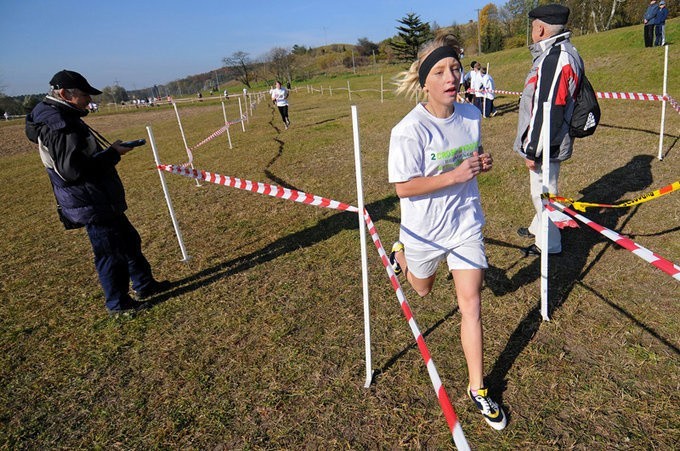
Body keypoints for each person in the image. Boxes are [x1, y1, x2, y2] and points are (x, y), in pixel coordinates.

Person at [387, 32, 507, 431]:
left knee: (471, 304)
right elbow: (403, 187)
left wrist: (479, 163)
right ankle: (400, 255)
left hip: (465, 224)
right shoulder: (409, 130)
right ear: (425, 81)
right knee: (421, 290)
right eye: (439, 71)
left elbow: (468, 160)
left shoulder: (472, 115)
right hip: (424, 230)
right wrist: (454, 174)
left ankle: (477, 388)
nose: (451, 77)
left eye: (454, 68)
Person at [25, 70, 169, 317]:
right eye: (84, 95)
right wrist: (112, 154)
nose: (88, 100)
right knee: (110, 252)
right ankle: (118, 304)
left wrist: (109, 151)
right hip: (90, 201)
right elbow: (72, 171)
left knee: (129, 241)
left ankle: (145, 285)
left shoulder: (60, 116)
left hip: (99, 196)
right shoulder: (60, 124)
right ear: (64, 94)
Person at [513, 4, 584, 256]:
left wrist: (532, 149)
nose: (532, 31)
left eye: (533, 27)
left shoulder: (555, 58)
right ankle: (538, 226)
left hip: (548, 142)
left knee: (543, 192)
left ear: (540, 28)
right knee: (543, 189)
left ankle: (549, 244)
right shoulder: (562, 52)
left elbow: (549, 109)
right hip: (552, 138)